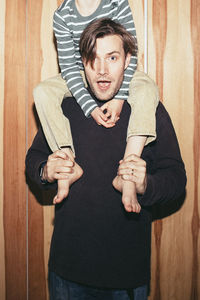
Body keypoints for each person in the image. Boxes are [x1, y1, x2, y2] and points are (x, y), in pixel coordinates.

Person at [26, 19, 186, 299]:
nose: (101, 69)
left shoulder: (150, 108)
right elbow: (34, 160)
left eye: (112, 57)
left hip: (126, 276)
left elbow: (176, 179)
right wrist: (45, 171)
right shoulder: (64, 105)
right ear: (82, 65)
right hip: (67, 272)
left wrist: (145, 184)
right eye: (92, 59)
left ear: (127, 61)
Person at [33, 0, 159, 213]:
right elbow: (70, 68)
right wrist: (90, 106)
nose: (101, 69)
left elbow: (130, 50)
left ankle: (127, 172)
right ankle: (68, 166)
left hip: (122, 75)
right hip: (80, 75)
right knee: (42, 91)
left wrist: (120, 97)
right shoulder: (63, 15)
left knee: (147, 87)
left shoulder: (117, 3)